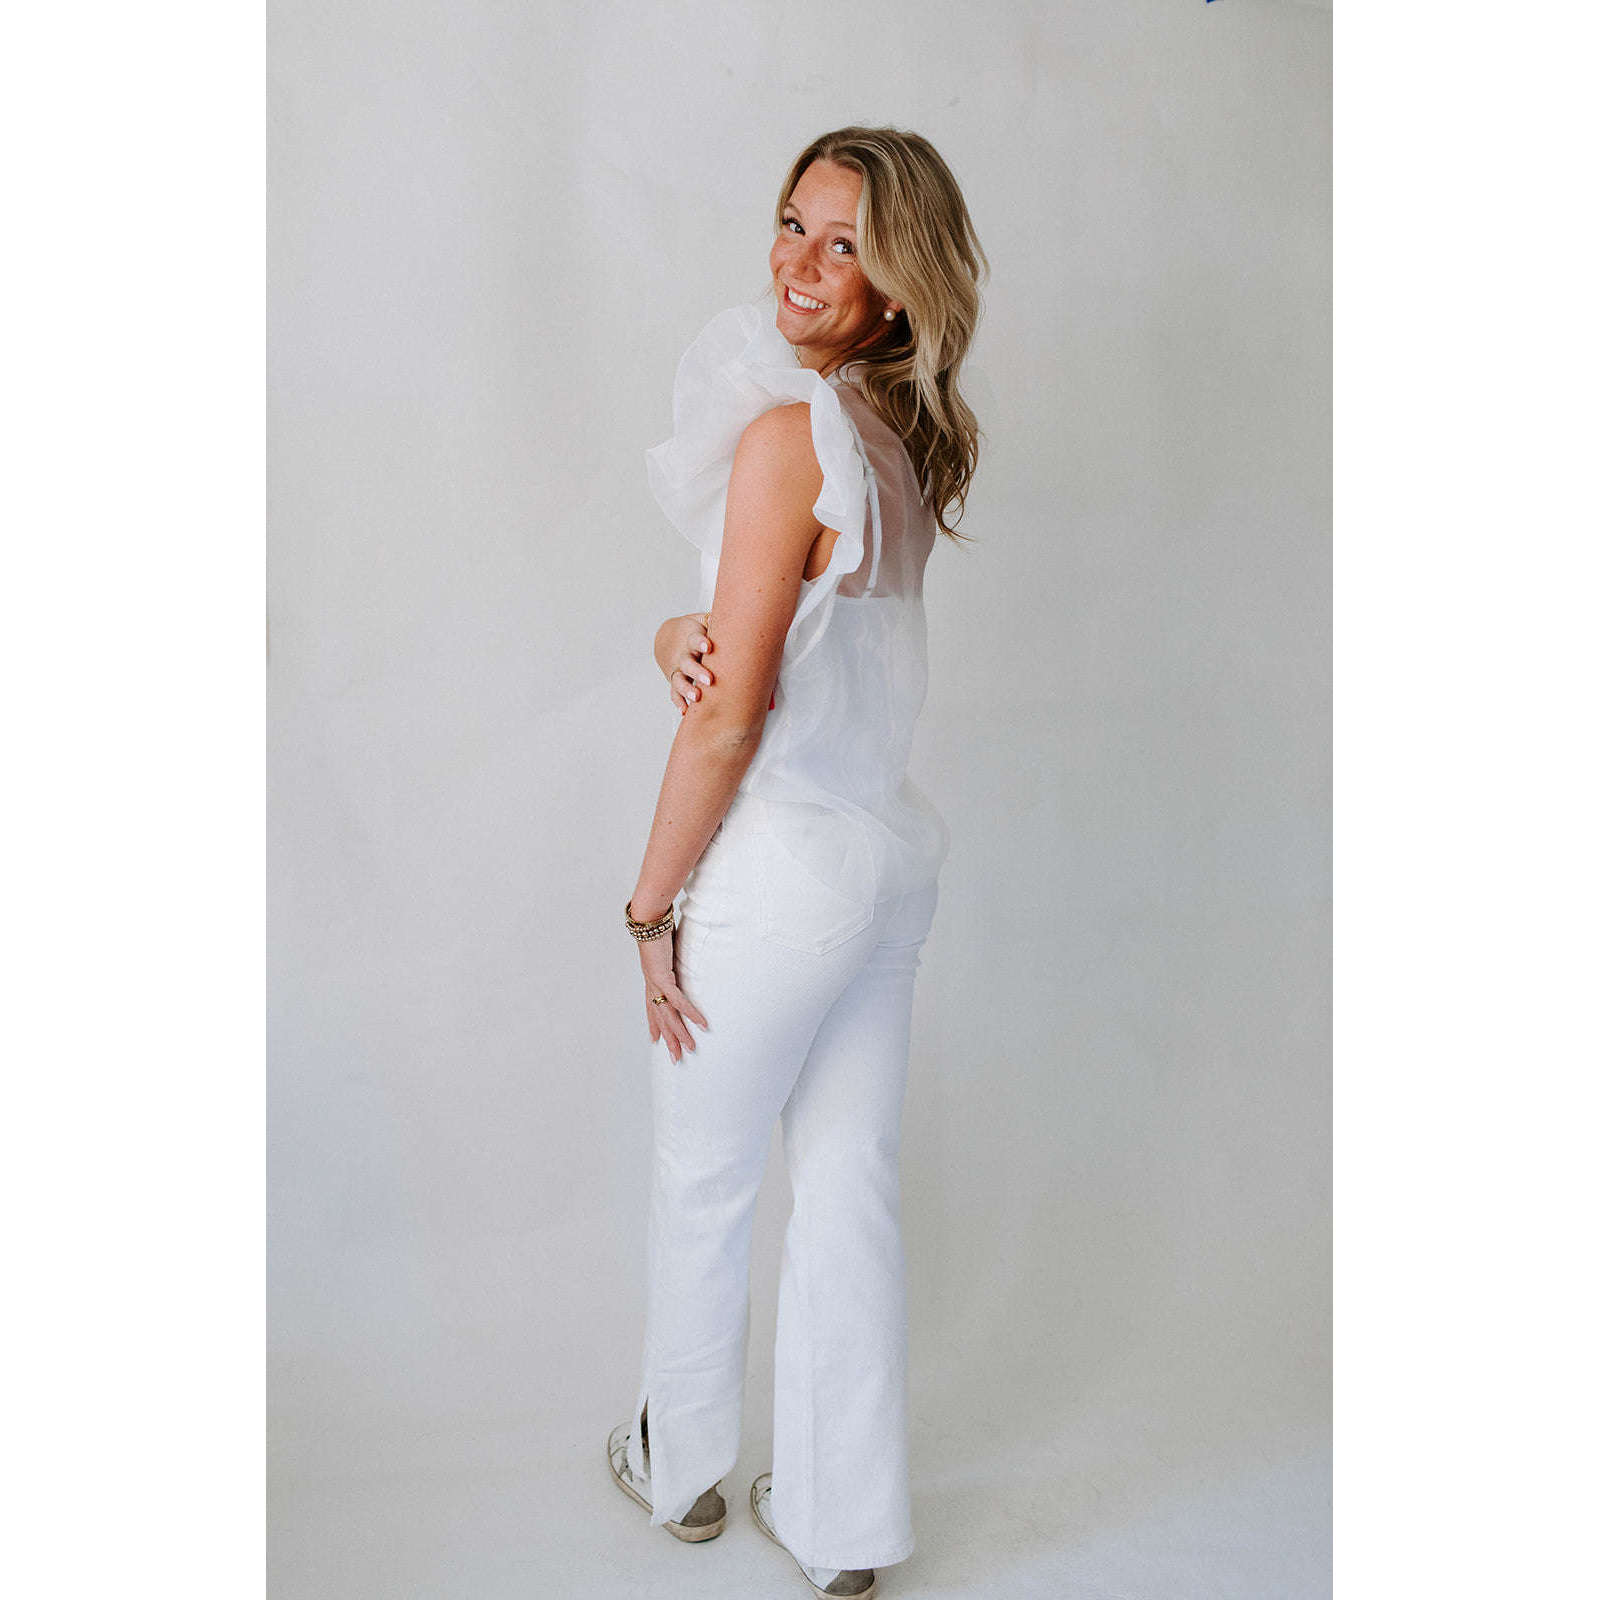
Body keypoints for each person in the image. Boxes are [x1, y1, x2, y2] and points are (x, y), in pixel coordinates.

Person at [607, 125, 987, 1600]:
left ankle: (682, 1468)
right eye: (792, 223)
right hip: (884, 866)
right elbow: (791, 650)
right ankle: (843, 1523)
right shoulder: (897, 448)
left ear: (898, 285)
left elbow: (733, 717)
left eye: (845, 244)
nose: (802, 263)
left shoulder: (786, 439)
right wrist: (673, 631)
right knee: (848, 1185)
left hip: (776, 878)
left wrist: (649, 909)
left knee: (703, 1178)